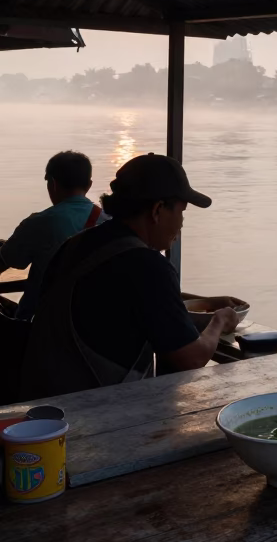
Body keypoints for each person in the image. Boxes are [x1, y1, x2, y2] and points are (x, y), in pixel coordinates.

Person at [20, 153, 248, 398]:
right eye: (182, 212)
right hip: (94, 414)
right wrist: (219, 321)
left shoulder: (75, 244)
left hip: (40, 401)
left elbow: (120, 309)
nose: (181, 223)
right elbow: (190, 359)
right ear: (158, 210)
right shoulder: (148, 266)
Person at [0, 151, 102, 322]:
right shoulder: (110, 221)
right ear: (89, 185)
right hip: (90, 329)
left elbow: (6, 260)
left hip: (38, 330)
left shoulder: (40, 223)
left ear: (52, 184)